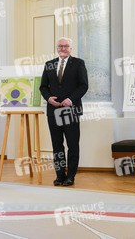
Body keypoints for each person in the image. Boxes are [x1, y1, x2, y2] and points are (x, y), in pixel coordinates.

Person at [39, 37, 88, 186]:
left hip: (70, 110)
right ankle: (60, 175)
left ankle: (70, 176)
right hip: (53, 111)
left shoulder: (79, 63)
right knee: (57, 145)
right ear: (57, 48)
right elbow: (43, 87)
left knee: (72, 144)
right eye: (60, 46)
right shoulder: (49, 64)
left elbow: (83, 85)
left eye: (66, 46)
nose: (63, 48)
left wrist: (70, 100)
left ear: (71, 48)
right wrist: (48, 98)